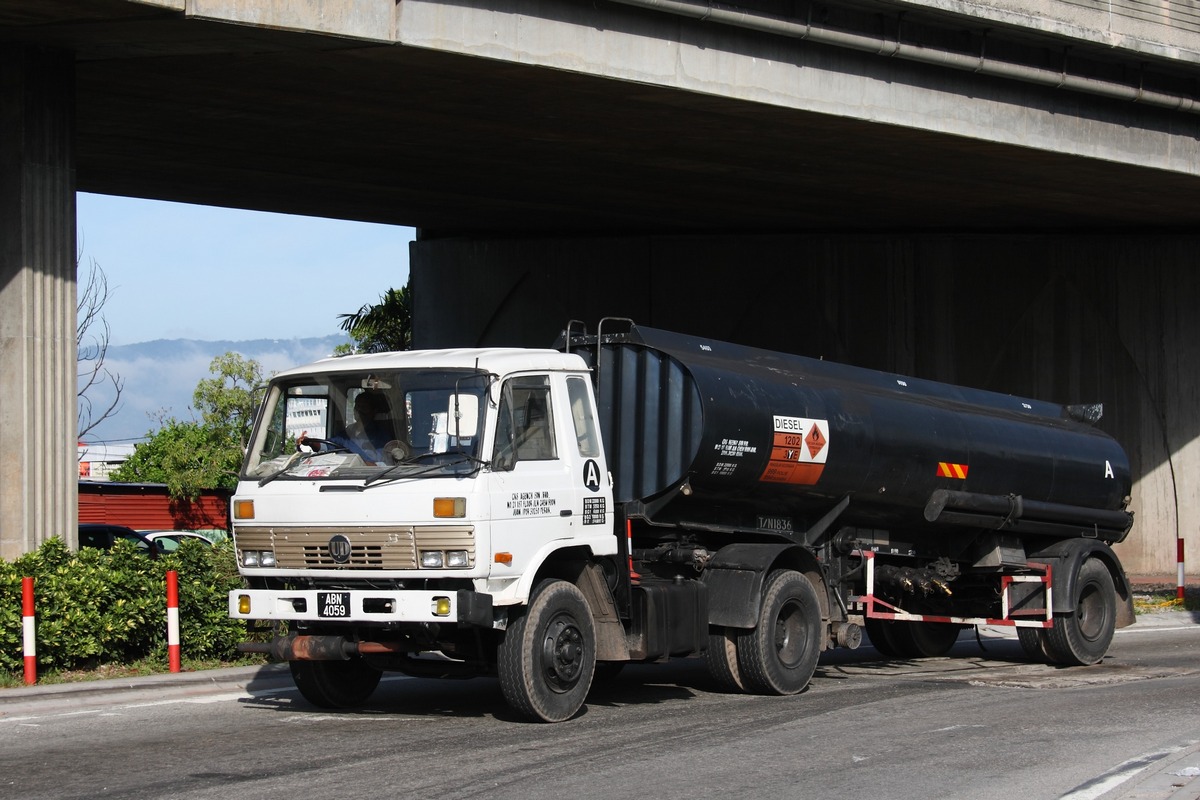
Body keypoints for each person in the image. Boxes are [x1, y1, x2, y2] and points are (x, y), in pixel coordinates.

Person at [300, 391, 402, 464]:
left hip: (369, 477)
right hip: (344, 474)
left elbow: (382, 463)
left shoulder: (381, 434)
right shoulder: (347, 432)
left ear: (373, 411)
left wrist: (359, 464)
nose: (359, 411)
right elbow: (328, 446)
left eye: (364, 407)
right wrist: (311, 442)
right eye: (357, 407)